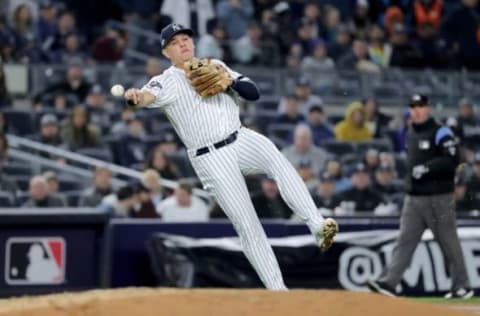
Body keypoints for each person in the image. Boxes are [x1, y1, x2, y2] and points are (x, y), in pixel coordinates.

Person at [123, 23, 338, 291]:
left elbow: (253, 92)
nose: (184, 43)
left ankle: (318, 225)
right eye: (176, 41)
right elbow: (144, 97)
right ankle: (279, 292)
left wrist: (231, 80)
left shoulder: (214, 64)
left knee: (276, 157)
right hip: (210, 157)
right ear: (167, 52)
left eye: (187, 38)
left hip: (240, 137)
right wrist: (134, 96)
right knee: (247, 223)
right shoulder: (164, 81)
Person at [367, 94, 473, 299]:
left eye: (421, 106)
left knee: (448, 242)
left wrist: (428, 168)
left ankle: (462, 286)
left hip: (438, 198)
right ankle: (389, 282)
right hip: (413, 198)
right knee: (404, 240)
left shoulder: (441, 131)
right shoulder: (411, 132)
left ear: (428, 109)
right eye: (414, 106)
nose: (417, 110)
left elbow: (453, 158)